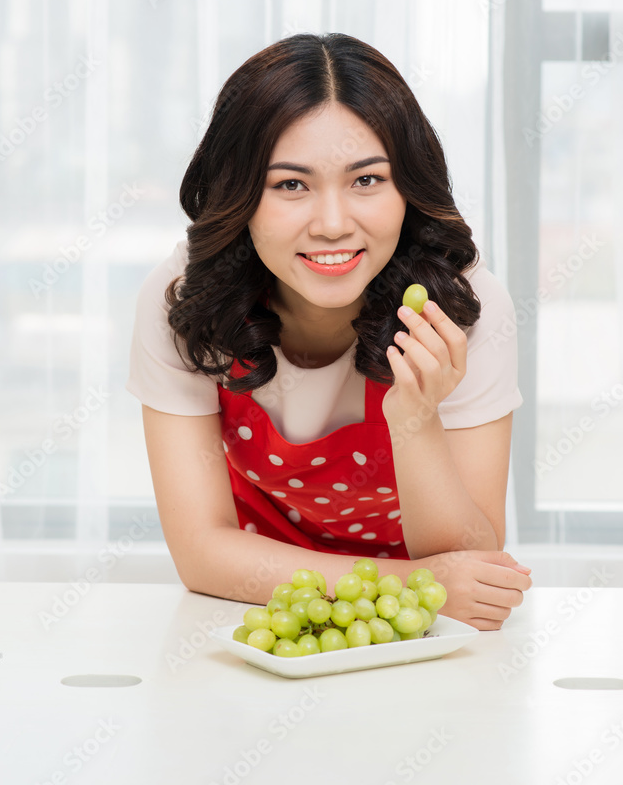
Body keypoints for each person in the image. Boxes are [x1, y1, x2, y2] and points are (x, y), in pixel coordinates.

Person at [126, 32, 532, 631]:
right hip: (263, 621)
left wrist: (416, 420)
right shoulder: (187, 305)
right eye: (291, 184)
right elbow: (201, 551)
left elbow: (473, 561)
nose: (334, 224)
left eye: (366, 180)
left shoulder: (462, 308)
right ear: (239, 195)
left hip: (419, 635)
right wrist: (419, 586)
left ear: (407, 189)